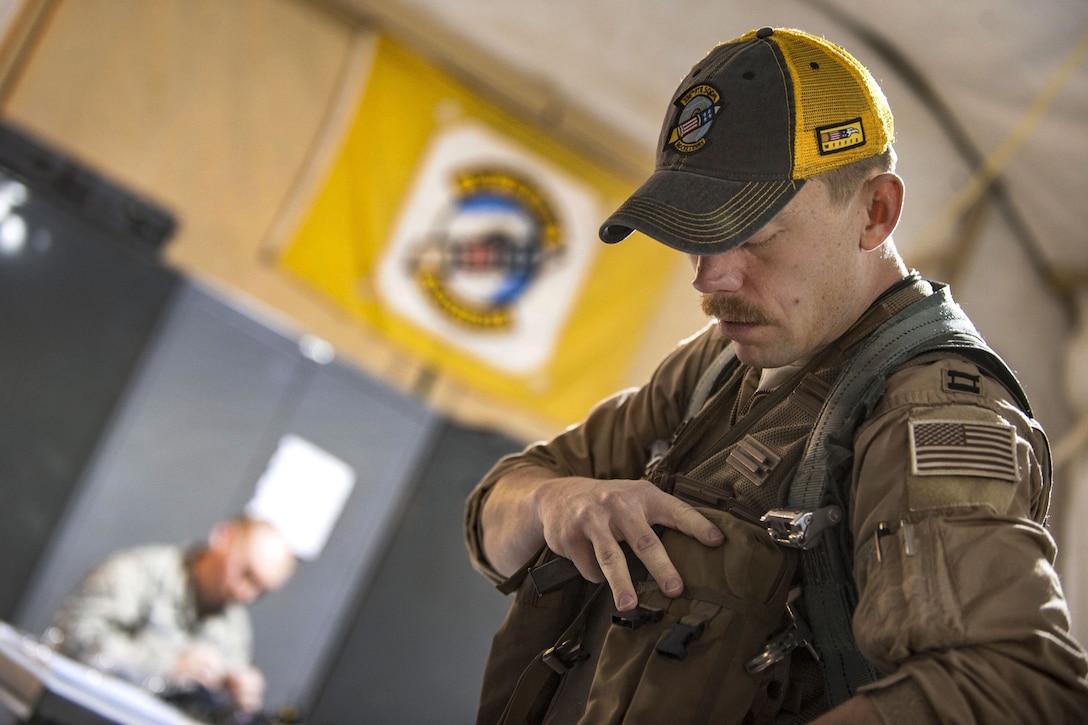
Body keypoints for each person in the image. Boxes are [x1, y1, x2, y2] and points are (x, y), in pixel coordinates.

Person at [465, 26, 1088, 723]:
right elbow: (495, 514)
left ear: (875, 212)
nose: (710, 279)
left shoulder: (925, 411)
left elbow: (1008, 684)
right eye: (695, 232)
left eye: (753, 233)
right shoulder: (718, 363)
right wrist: (554, 503)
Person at [50, 516, 297, 715]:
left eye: (261, 591)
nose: (247, 594)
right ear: (224, 536)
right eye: (246, 573)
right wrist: (169, 666)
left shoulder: (236, 628)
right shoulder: (138, 572)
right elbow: (75, 639)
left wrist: (234, 702)